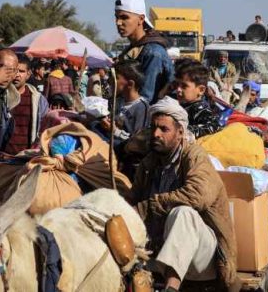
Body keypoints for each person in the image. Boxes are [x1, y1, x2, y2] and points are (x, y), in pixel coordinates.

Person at [128, 96, 237, 292]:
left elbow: (198, 196)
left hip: (202, 258)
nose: (156, 134)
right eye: (153, 128)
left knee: (182, 213)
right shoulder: (148, 164)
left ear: (180, 133)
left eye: (164, 129)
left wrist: (150, 205)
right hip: (158, 252)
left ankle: (172, 287)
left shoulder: (195, 157)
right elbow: (133, 201)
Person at [115, 0, 174, 104]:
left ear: (141, 19)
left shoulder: (153, 52)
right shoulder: (132, 49)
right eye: (116, 17)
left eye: (124, 17)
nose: (118, 22)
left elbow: (145, 99)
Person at [4, 55, 49, 155]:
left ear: (28, 74)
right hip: (3, 156)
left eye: (21, 71)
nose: (17, 75)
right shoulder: (0, 97)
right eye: (14, 71)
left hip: (27, 157)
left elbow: (45, 129)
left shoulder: (39, 100)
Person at [100, 60, 149, 144]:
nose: (110, 80)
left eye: (116, 78)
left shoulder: (141, 107)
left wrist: (115, 131)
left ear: (130, 84)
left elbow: (138, 141)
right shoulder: (119, 100)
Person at [175, 59, 221, 138]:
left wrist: (180, 131)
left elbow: (213, 126)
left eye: (184, 86)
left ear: (201, 90)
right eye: (176, 85)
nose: (178, 89)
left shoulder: (201, 109)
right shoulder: (182, 105)